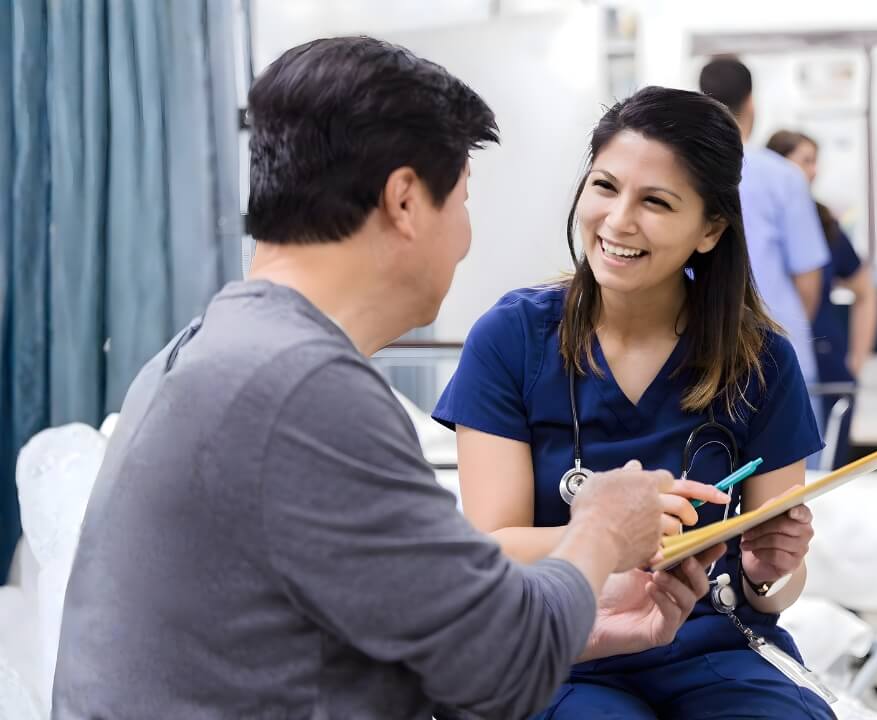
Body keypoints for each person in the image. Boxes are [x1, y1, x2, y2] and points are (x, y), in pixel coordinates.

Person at [50, 37, 725, 720]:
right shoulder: (302, 389)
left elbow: (443, 636)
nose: (464, 239)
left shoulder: (211, 351)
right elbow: (504, 664)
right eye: (462, 202)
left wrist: (585, 622)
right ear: (405, 201)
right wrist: (603, 526)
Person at [433, 87, 834, 718]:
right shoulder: (513, 338)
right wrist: (613, 536)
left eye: (655, 202)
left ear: (710, 230)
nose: (619, 220)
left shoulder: (760, 360)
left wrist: (765, 572)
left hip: (712, 648)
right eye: (605, 187)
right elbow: (493, 551)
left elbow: (775, 591)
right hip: (562, 647)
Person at [699, 58, 830, 426]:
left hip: (706, 358)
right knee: (801, 482)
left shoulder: (690, 174)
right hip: (779, 353)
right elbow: (808, 278)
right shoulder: (783, 177)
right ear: (751, 103)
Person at [766, 130, 877, 468]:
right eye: (804, 161)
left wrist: (858, 359)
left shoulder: (824, 223)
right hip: (778, 365)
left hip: (827, 365)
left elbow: (865, 290)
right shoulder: (756, 221)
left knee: (828, 473)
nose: (813, 171)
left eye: (815, 162)